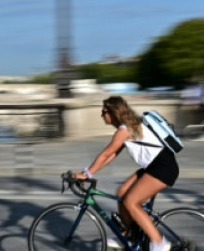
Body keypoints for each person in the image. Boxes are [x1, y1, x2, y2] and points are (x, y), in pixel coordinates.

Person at [73, 96, 178, 251]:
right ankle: (130, 234)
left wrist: (87, 174)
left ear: (113, 112)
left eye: (103, 112)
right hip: (153, 167)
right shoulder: (128, 127)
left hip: (162, 167)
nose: (101, 115)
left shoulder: (124, 130)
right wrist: (87, 173)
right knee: (122, 193)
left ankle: (159, 243)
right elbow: (111, 155)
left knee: (131, 201)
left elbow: (105, 153)